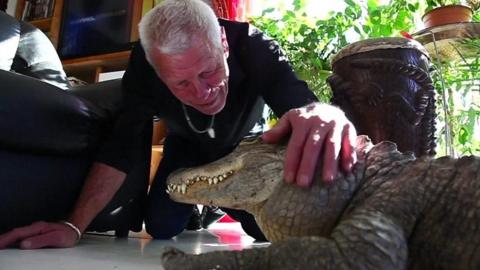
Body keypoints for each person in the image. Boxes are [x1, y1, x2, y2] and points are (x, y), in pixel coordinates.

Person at [0, 0, 356, 249]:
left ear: (223, 44)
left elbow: (299, 101)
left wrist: (326, 114)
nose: (204, 92)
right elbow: (122, 146)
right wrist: (73, 226)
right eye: (182, 83)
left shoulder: (252, 44)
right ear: (158, 71)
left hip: (244, 148)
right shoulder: (144, 65)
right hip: (184, 147)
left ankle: (213, 208)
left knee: (260, 230)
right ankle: (199, 206)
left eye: (210, 71)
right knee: (161, 227)